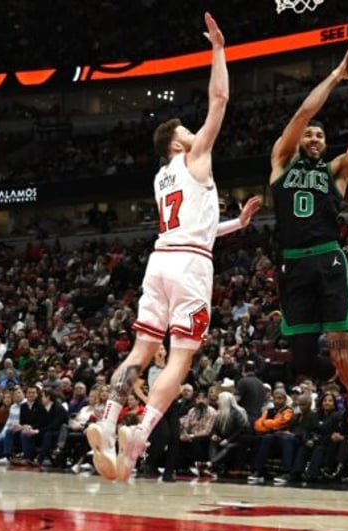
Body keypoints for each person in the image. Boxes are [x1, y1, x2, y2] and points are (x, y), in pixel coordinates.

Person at [85, 13, 262, 482]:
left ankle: (105, 422)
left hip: (160, 259)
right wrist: (219, 48)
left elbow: (194, 226)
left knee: (141, 349)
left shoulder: (162, 177)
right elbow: (220, 98)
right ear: (177, 141)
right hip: (190, 266)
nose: (192, 132)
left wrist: (235, 224)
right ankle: (139, 434)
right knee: (181, 356)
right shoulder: (193, 154)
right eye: (186, 130)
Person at [268, 43, 348, 459]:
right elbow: (302, 112)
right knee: (305, 361)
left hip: (327, 259)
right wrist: (339, 73)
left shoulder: (336, 171)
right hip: (292, 265)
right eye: (311, 133)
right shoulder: (282, 162)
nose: (315, 137)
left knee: (340, 351)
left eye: (321, 134)